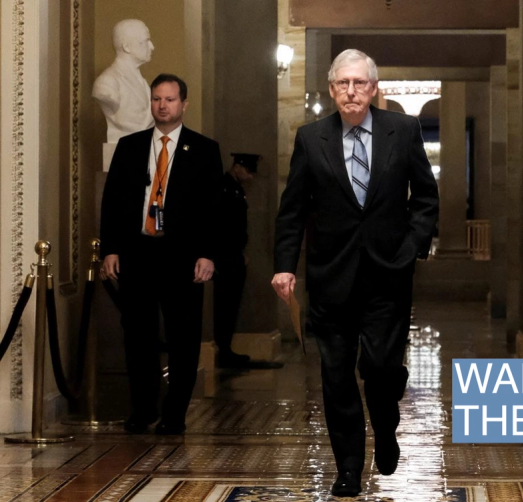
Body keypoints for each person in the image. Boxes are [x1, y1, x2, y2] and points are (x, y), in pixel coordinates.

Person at [272, 49, 439, 497]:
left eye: (359, 83)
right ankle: (347, 466)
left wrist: (412, 245)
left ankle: (386, 427)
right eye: (343, 83)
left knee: (382, 369)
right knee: (336, 375)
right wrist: (285, 266)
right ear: (331, 89)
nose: (351, 91)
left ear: (373, 87)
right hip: (331, 277)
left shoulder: (402, 131)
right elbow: (292, 211)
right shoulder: (311, 138)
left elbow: (425, 195)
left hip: (388, 274)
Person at [100, 73, 223, 435]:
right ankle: (143, 409)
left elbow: (214, 209)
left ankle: (175, 414)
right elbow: (112, 203)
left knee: (183, 338)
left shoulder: (204, 149)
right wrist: (111, 249)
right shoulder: (130, 146)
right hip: (138, 253)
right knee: (138, 336)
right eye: (157, 99)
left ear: (183, 104)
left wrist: (208, 254)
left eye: (169, 99)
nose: (162, 105)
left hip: (182, 257)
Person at [214, 153, 261, 368]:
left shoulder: (234, 188)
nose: (250, 177)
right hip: (225, 255)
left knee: (232, 304)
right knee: (225, 304)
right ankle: (223, 349)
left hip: (234, 253)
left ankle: (226, 348)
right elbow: (225, 226)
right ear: (237, 167)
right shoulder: (224, 187)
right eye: (248, 171)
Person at [92, 19, 156, 143]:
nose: (152, 46)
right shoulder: (106, 82)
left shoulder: (142, 81)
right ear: (126, 47)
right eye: (145, 41)